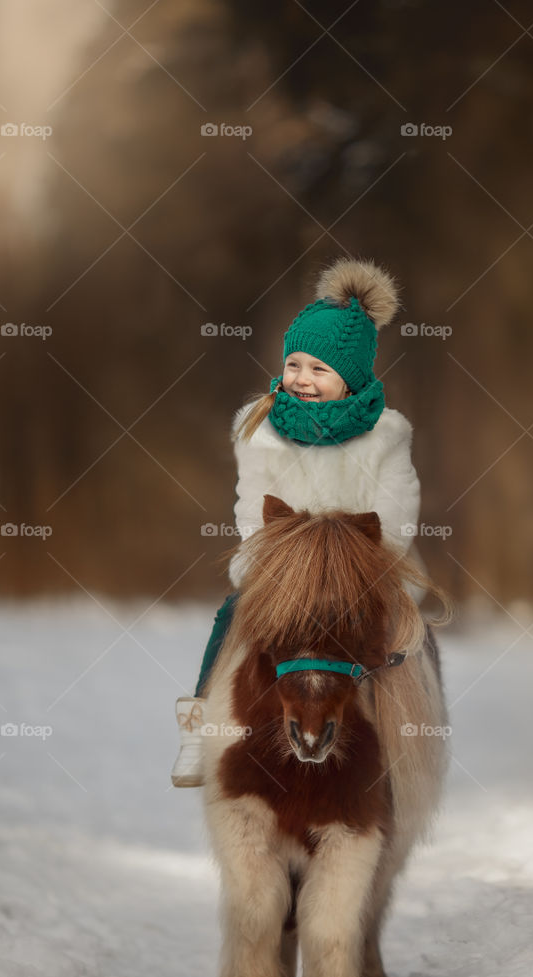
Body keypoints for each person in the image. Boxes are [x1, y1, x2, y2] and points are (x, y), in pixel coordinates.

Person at [171, 257, 428, 786]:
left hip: (360, 569)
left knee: (394, 641)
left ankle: (399, 742)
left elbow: (396, 515)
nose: (302, 380)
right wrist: (257, 564)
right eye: (294, 364)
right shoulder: (261, 428)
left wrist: (379, 571)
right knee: (233, 615)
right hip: (285, 569)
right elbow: (251, 507)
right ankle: (201, 725)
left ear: (350, 378)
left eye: (319, 369)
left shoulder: (386, 436)